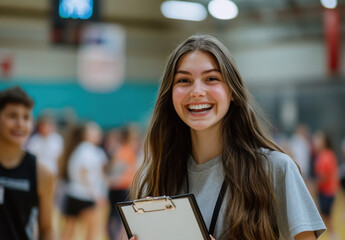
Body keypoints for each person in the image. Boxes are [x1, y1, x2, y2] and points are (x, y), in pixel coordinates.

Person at [129, 35, 326, 240]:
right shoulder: (153, 180)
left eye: (211, 79)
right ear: (170, 95)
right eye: (184, 80)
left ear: (232, 91)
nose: (197, 91)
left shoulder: (275, 170)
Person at [0, 86, 55, 240]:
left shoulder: (42, 174)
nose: (20, 124)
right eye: (12, 116)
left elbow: (46, 229)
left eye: (26, 117)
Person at [60, 121, 107, 240]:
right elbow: (85, 174)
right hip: (85, 196)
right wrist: (97, 195)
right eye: (94, 131)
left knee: (69, 230)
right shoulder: (87, 150)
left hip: (72, 193)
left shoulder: (81, 149)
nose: (98, 133)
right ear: (85, 134)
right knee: (92, 231)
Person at [107, 125, 140, 240]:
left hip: (122, 188)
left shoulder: (125, 150)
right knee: (119, 218)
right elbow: (116, 171)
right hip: (121, 188)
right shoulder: (124, 151)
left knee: (117, 217)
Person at [313, 130, 339, 240]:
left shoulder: (325, 156)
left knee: (323, 217)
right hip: (327, 191)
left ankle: (334, 236)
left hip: (327, 192)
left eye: (318, 139)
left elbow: (323, 177)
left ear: (324, 142)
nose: (315, 141)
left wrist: (312, 185)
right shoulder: (325, 154)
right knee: (323, 217)